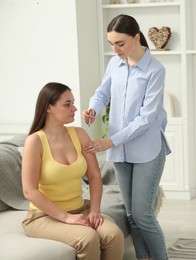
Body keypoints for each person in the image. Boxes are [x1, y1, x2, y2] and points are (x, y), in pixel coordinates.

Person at [82, 14, 171, 260]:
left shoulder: (155, 70)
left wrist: (110, 141)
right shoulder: (115, 64)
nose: (115, 49)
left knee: (143, 214)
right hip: (120, 151)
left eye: (120, 43)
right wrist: (93, 108)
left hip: (147, 150)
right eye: (111, 44)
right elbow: (102, 92)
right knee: (130, 214)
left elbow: (146, 119)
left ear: (136, 38)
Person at [21, 82, 124, 260]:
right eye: (67, 104)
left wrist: (94, 210)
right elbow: (29, 191)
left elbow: (94, 176)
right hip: (43, 217)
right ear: (48, 107)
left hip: (79, 208)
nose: (75, 108)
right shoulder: (35, 141)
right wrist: (66, 217)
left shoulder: (80, 134)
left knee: (114, 235)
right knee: (88, 238)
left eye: (73, 103)